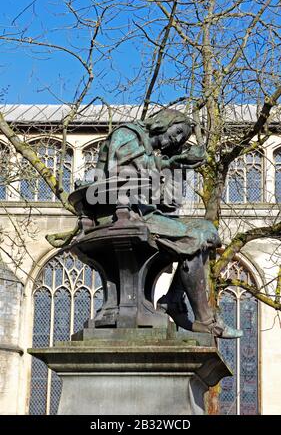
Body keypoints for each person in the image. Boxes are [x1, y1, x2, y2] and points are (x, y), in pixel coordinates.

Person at [94, 109, 242, 338]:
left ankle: (173, 300)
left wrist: (178, 164)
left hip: (142, 213)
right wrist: (171, 161)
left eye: (182, 138)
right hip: (121, 215)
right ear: (166, 122)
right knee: (194, 239)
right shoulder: (127, 134)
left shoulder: (150, 149)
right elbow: (122, 174)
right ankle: (207, 321)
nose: (176, 139)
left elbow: (165, 201)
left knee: (208, 231)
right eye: (178, 132)